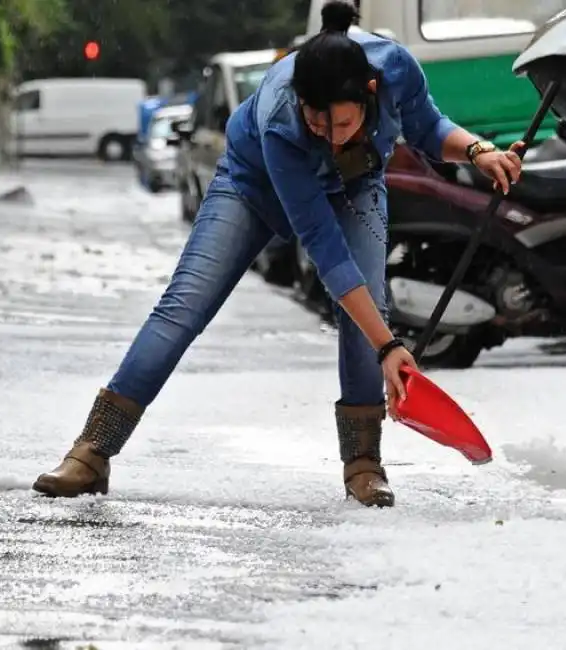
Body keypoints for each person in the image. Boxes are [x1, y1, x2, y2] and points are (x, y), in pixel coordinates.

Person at [33, 0, 523, 508]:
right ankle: (92, 452)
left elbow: (427, 126)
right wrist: (388, 347)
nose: (329, 137)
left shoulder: (393, 66)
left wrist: (477, 151)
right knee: (185, 306)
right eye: (317, 123)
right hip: (252, 188)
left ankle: (363, 465)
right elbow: (327, 255)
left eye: (343, 124)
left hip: (355, 187)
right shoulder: (280, 120)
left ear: (370, 92)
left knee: (367, 311)